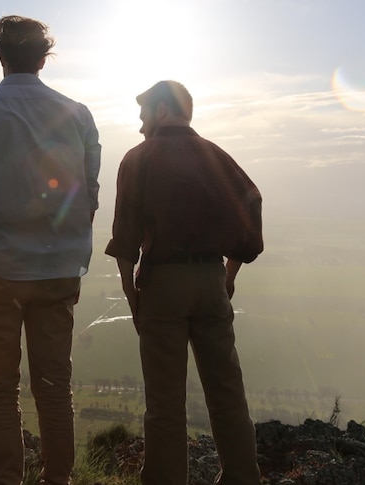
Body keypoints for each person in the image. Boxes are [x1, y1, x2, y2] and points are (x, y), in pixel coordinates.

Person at [0, 15, 101, 485]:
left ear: (1, 56)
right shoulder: (77, 115)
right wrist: (64, 249)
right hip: (57, 271)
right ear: (42, 59)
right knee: (55, 390)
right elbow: (89, 196)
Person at [105, 80, 263, 485]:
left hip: (163, 284)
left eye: (143, 116)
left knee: (165, 402)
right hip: (211, 279)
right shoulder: (216, 156)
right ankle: (242, 477)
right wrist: (227, 274)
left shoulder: (139, 158)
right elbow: (252, 203)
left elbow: (125, 239)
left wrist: (131, 295)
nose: (140, 126)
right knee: (227, 391)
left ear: (161, 111)